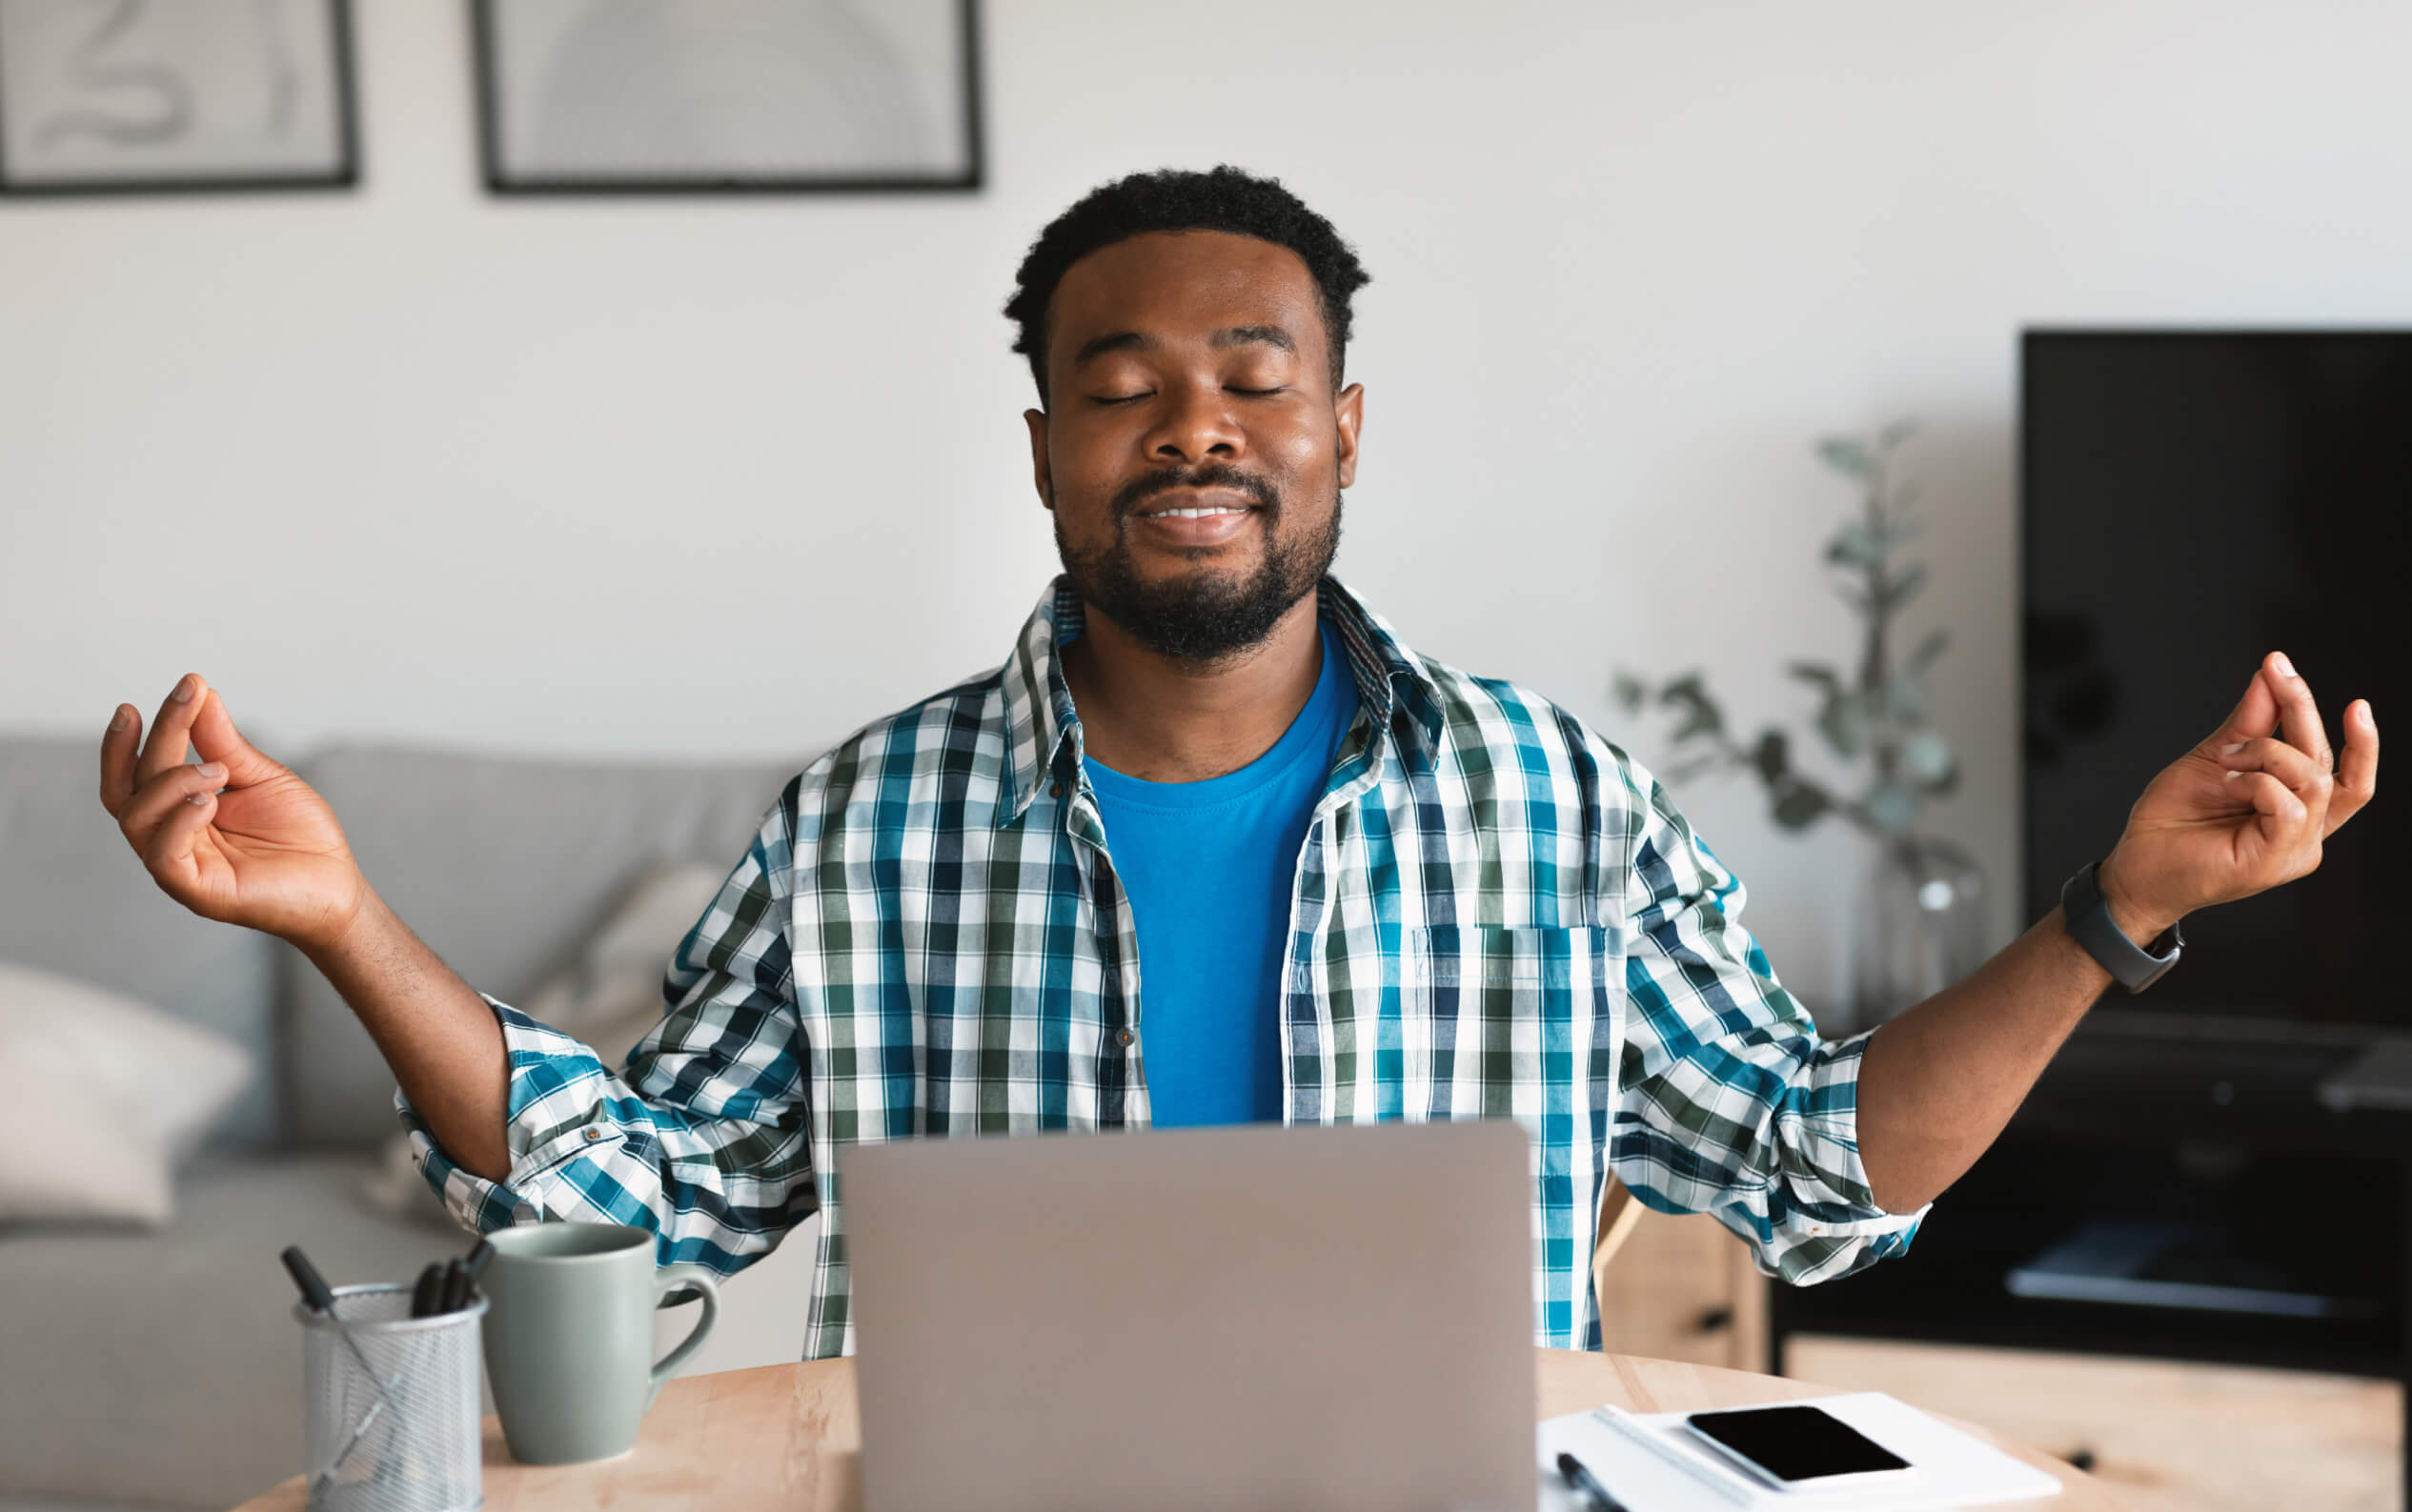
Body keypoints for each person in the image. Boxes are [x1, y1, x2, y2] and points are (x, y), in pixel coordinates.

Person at [97, 168, 2380, 1357]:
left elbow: (1810, 1165)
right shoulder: (867, 820)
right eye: (1123, 378)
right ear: (1043, 449)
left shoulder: (1547, 801)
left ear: (1343, 432)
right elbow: (650, 1195)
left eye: (1256, 372)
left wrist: (2118, 912)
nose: (1194, 418)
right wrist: (342, 919)